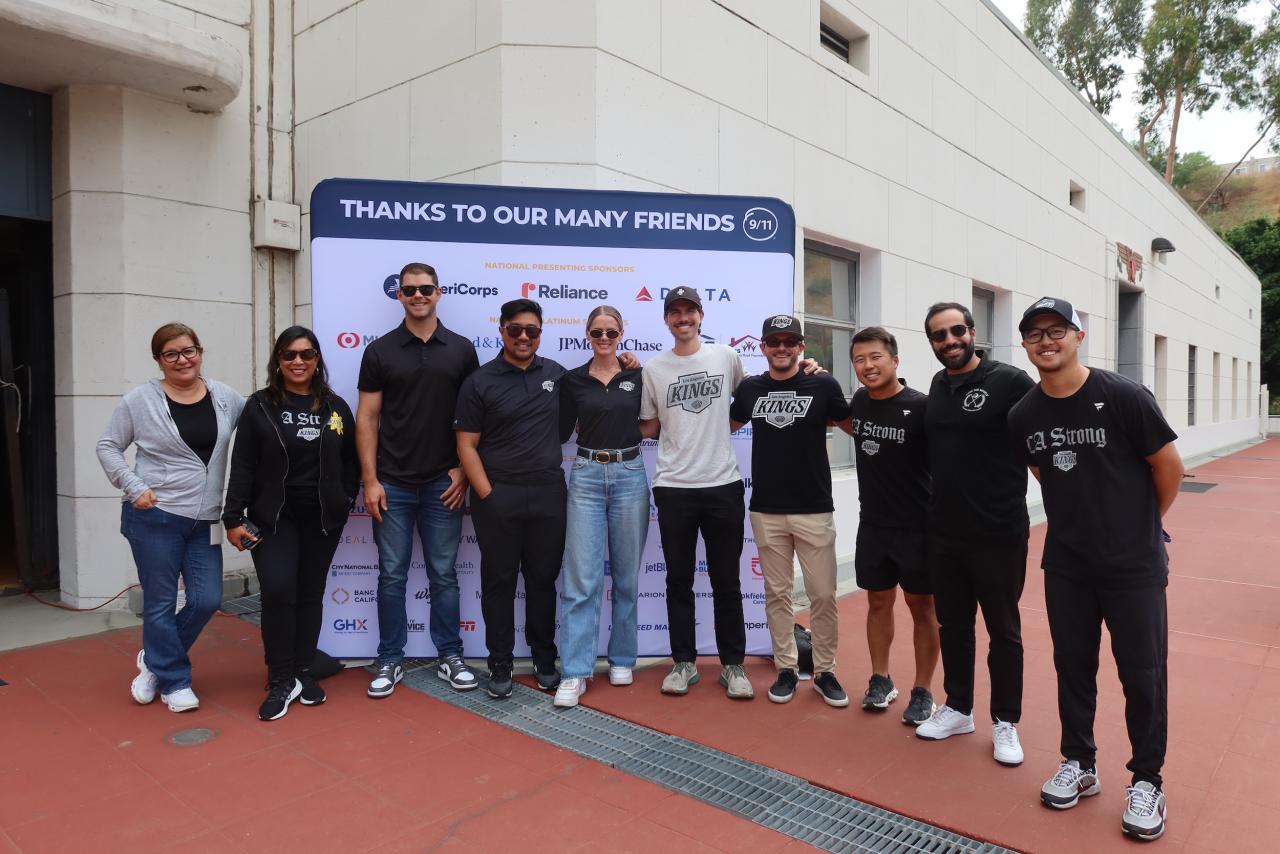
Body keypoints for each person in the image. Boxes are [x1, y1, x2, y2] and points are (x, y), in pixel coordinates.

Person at [1008, 297, 1181, 842]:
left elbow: (1169, 467)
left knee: (1143, 676)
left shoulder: (1124, 396)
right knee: (1073, 669)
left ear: (1079, 335)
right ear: (1026, 346)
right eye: (1034, 334)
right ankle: (1079, 763)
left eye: (1056, 330)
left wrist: (1140, 527)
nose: (1046, 341)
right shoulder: (1024, 415)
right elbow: (1044, 474)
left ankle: (1147, 780)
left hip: (1133, 567)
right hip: (1068, 566)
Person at [97, 323, 245, 713]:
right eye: (171, 354)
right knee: (161, 603)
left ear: (200, 351)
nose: (182, 359)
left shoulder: (225, 397)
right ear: (158, 360)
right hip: (156, 516)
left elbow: (259, 427)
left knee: (207, 599)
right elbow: (108, 445)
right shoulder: (139, 401)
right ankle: (175, 680)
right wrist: (132, 486)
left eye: (189, 350)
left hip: (205, 520)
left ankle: (154, 661)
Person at [916, 302, 1035, 768]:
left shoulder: (1010, 382)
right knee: (954, 626)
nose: (950, 341)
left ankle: (1005, 720)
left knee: (1004, 631)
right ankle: (960, 708)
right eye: (939, 335)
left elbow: (1041, 438)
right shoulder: (937, 386)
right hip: (945, 533)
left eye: (957, 331)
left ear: (973, 331)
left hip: (999, 533)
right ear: (932, 342)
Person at [356, 262, 480, 699]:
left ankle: (450, 654)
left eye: (425, 288)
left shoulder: (462, 350)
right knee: (391, 575)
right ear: (399, 295)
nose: (418, 295)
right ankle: (390, 658)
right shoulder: (380, 351)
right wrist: (370, 480)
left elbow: (473, 418)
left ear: (439, 292)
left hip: (442, 484)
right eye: (410, 290)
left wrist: (464, 469)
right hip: (391, 484)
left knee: (444, 574)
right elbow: (367, 418)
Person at [223, 327, 358, 721]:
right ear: (277, 362)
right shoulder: (260, 406)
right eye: (288, 355)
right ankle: (280, 678)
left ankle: (302, 670)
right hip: (273, 519)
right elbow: (243, 462)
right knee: (279, 592)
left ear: (317, 360)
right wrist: (233, 517)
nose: (297, 362)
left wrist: (346, 498)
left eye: (306, 354)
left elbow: (350, 460)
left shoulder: (335, 407)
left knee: (310, 595)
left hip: (322, 521)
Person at [730, 315, 851, 707]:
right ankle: (786, 667)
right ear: (762, 347)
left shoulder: (823, 383)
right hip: (766, 509)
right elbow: (719, 426)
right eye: (774, 341)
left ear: (801, 347)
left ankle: (825, 671)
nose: (781, 347)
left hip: (814, 507)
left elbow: (855, 426)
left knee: (822, 595)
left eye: (789, 341)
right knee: (777, 594)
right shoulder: (751, 389)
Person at [639, 286, 754, 699]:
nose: (683, 318)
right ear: (667, 320)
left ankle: (733, 666)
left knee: (727, 581)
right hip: (673, 488)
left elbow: (751, 398)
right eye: (675, 312)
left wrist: (805, 368)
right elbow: (649, 426)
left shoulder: (725, 356)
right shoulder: (653, 368)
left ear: (701, 316)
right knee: (678, 580)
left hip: (723, 484)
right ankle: (683, 663)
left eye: (689, 311)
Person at [455, 298, 569, 700]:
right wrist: (487, 492)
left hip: (548, 495)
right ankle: (499, 662)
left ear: (540, 333)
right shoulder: (479, 381)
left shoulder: (557, 374)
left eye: (532, 331)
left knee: (542, 582)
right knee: (499, 582)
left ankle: (543, 658)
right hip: (497, 496)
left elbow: (597, 391)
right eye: (515, 329)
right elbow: (466, 445)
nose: (524, 337)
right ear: (501, 330)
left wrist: (628, 367)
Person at [553, 305, 649, 708]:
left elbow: (652, 424)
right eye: (597, 332)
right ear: (587, 335)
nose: (605, 338)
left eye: (611, 332)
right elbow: (559, 431)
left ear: (622, 333)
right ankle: (575, 672)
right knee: (581, 582)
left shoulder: (639, 376)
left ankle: (622, 657)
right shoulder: (572, 380)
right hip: (588, 475)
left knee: (626, 577)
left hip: (630, 474)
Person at [842, 326, 939, 725]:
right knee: (878, 602)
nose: (868, 366)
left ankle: (923, 690)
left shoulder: (921, 407)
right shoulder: (860, 403)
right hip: (874, 526)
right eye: (860, 360)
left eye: (875, 357)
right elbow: (840, 419)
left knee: (922, 607)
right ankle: (881, 679)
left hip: (919, 528)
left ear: (895, 361)